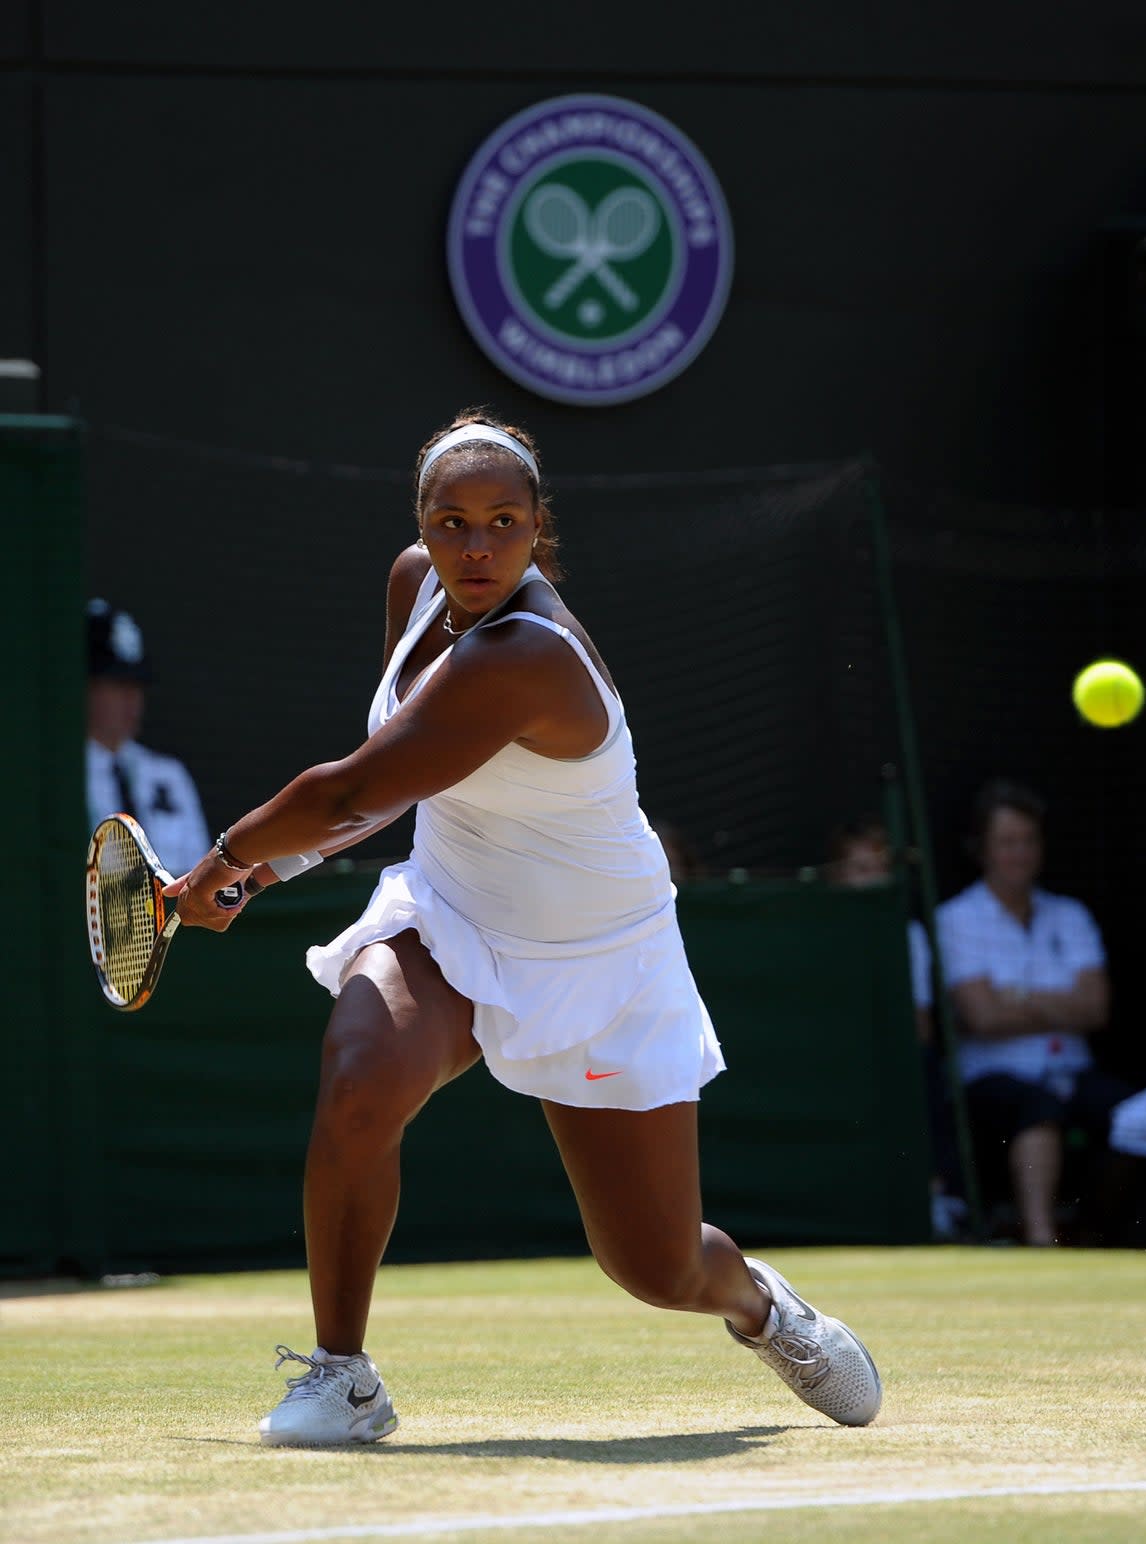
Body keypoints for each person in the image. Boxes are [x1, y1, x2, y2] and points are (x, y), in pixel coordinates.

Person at [166, 410, 883, 1446]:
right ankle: (344, 1374)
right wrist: (262, 868)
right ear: (422, 523)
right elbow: (400, 782)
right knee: (361, 1074)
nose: (476, 546)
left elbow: (353, 784)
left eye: (504, 521)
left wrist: (232, 860)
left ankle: (763, 1307)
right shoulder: (414, 584)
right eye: (452, 521)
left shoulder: (527, 657)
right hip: (454, 909)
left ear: (540, 526)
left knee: (656, 1264)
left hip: (601, 954)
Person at [936, 779, 1130, 1246]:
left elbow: (1098, 1007)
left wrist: (1019, 1000)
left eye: (1028, 841)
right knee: (1036, 1107)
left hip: (1074, 1072)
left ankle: (1107, 1234)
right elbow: (982, 1017)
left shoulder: (1071, 914)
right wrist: (1061, 1004)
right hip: (993, 1081)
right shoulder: (956, 918)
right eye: (1006, 842)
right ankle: (1043, 1242)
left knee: (1135, 1116)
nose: (1019, 854)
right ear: (982, 849)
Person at [825, 817, 967, 1240]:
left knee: (925, 1071)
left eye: (880, 869)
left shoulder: (910, 936)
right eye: (861, 869)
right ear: (839, 876)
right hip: (837, 1066)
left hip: (894, 1069)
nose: (873, 880)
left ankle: (935, 1195)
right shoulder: (821, 932)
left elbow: (922, 1028)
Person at [86, 597, 211, 879]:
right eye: (117, 684)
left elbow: (198, 874)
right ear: (86, 688)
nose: (132, 699)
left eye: (137, 685)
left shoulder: (169, 775)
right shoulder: (54, 782)